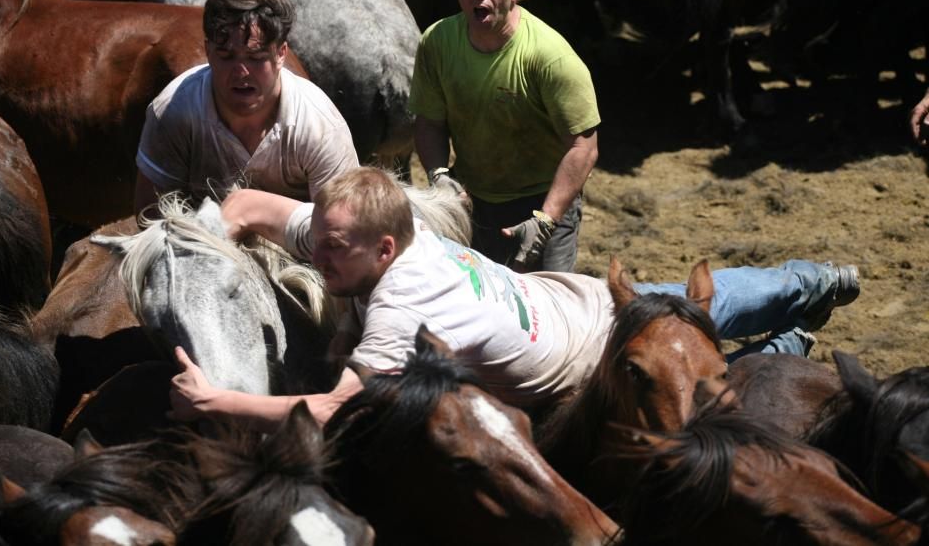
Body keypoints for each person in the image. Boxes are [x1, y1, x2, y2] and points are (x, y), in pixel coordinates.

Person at [167, 166, 860, 432]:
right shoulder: (362, 233)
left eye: (332, 250)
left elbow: (325, 409)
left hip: (594, 355)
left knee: (704, 384)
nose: (316, 260)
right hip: (578, 298)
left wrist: (215, 399)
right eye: (315, 241)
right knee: (709, 310)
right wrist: (208, 243)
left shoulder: (399, 303)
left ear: (384, 249)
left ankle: (807, 299)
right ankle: (798, 313)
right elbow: (248, 203)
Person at [409, 0, 600, 273]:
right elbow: (429, 123)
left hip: (543, 203)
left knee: (548, 311)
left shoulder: (550, 56)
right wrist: (439, 174)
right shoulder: (436, 43)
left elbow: (583, 148)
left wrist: (545, 221)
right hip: (471, 200)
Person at [133, 0, 359, 216]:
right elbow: (150, 215)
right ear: (208, 52)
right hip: (196, 247)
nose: (241, 72)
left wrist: (264, 222)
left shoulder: (320, 125)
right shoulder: (174, 109)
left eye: (256, 57)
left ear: (281, 54)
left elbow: (342, 230)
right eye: (227, 56)